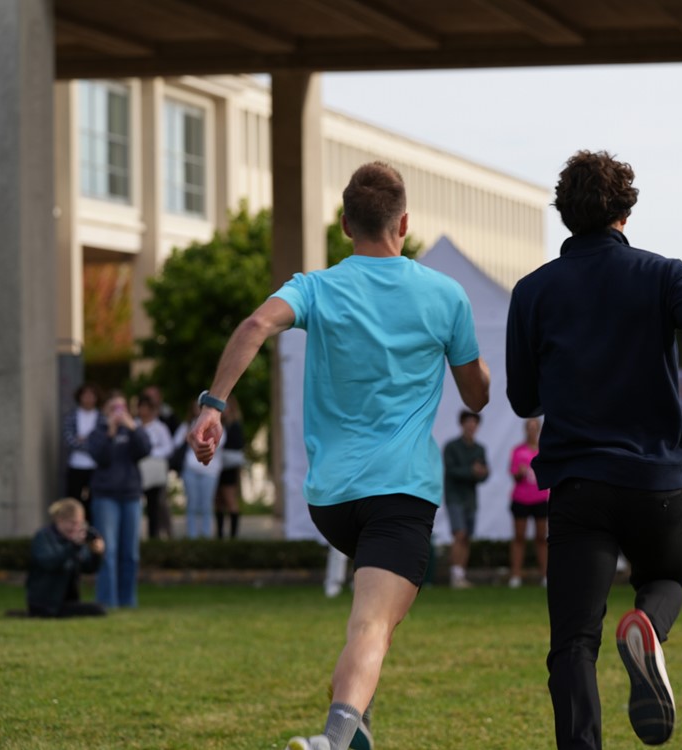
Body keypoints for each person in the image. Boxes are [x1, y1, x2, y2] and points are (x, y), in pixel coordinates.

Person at [186, 162, 489, 750]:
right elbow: (476, 393)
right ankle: (334, 737)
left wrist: (213, 406)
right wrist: (475, 369)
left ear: (346, 225)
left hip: (332, 500)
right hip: (400, 493)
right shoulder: (445, 295)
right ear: (405, 223)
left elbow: (254, 325)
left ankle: (358, 733)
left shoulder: (315, 286)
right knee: (373, 622)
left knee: (376, 622)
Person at [505, 150, 682, 749]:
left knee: (572, 643)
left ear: (565, 214)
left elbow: (523, 400)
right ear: (626, 209)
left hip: (578, 485)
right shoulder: (665, 275)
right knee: (667, 577)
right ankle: (647, 624)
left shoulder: (533, 291)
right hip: (655, 481)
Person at [87, 391, 151, 608]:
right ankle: (107, 601)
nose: (118, 413)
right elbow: (100, 457)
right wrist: (111, 432)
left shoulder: (134, 430)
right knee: (108, 551)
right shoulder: (98, 432)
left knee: (130, 553)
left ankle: (128, 600)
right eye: (114, 409)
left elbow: (144, 450)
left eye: (121, 408)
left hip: (131, 496)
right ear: (106, 411)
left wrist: (132, 427)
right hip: (106, 497)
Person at [26, 498, 106, 618]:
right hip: (46, 602)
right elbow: (50, 563)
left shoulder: (75, 541)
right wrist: (74, 546)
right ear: (59, 520)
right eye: (73, 523)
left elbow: (89, 568)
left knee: (99, 609)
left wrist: (97, 553)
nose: (76, 528)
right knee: (97, 610)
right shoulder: (43, 537)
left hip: (67, 601)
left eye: (80, 523)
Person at [443, 410, 489, 589]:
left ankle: (462, 573)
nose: (471, 426)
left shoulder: (480, 449)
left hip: (471, 499)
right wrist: (472, 471)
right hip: (455, 497)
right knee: (459, 534)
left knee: (467, 537)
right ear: (462, 424)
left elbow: (485, 474)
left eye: (474, 423)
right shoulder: (451, 446)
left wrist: (481, 473)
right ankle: (455, 574)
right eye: (468, 422)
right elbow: (452, 471)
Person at [507, 417, 549, 588]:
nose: (532, 431)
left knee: (541, 538)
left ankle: (545, 575)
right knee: (519, 537)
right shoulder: (518, 451)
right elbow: (514, 474)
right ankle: (516, 575)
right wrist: (520, 472)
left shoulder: (544, 450)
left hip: (540, 498)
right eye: (529, 427)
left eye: (534, 427)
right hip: (521, 499)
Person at [173, 401, 226, 539]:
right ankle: (192, 536)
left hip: (209, 471)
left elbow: (219, 444)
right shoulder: (187, 426)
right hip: (190, 470)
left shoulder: (216, 424)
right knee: (192, 503)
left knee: (206, 504)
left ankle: (206, 535)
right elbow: (176, 443)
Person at [136, 394, 173, 539]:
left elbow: (168, 447)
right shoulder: (134, 424)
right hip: (137, 469)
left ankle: (154, 536)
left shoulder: (160, 427)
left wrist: (151, 451)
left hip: (153, 470)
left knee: (154, 506)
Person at [63, 383, 101, 521]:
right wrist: (89, 443)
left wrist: (83, 440)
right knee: (73, 500)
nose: (88, 398)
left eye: (91, 395)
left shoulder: (101, 417)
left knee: (92, 502)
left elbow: (102, 442)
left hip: (94, 466)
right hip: (76, 464)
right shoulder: (71, 416)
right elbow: (69, 439)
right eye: (85, 395)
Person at [215, 395, 246, 539]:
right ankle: (220, 534)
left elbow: (237, 446)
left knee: (230, 499)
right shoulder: (220, 424)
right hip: (217, 467)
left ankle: (233, 536)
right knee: (218, 501)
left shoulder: (234, 425)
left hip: (228, 468)